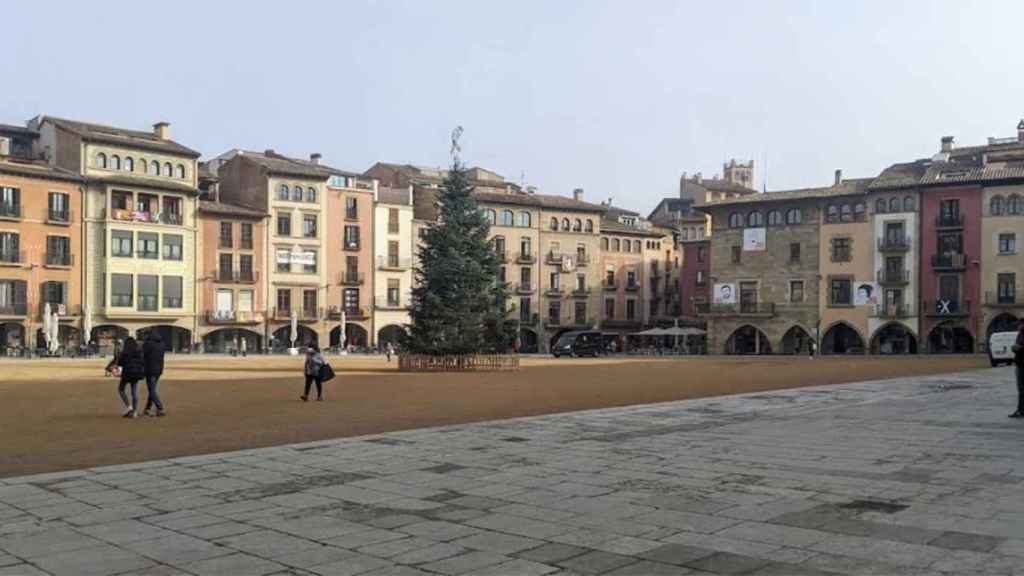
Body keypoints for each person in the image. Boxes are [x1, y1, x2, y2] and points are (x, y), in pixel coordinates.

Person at [115, 337, 145, 418]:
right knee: (134, 392)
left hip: (127, 373)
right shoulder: (139, 352)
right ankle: (135, 411)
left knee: (121, 389)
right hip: (136, 374)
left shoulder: (124, 352)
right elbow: (143, 362)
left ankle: (129, 406)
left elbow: (120, 363)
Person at [142, 333, 166, 417]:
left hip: (150, 370)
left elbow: (143, 356)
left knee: (151, 390)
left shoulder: (147, 344)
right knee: (152, 390)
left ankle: (160, 408)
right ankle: (147, 409)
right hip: (158, 370)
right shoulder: (162, 344)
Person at [1011, 323, 1024, 418]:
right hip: (1020, 363)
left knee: (1022, 389)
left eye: (1020, 324)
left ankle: (1021, 410)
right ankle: (1020, 409)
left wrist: (1019, 348)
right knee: (1021, 389)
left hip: (1022, 364)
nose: (1018, 326)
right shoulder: (1020, 334)